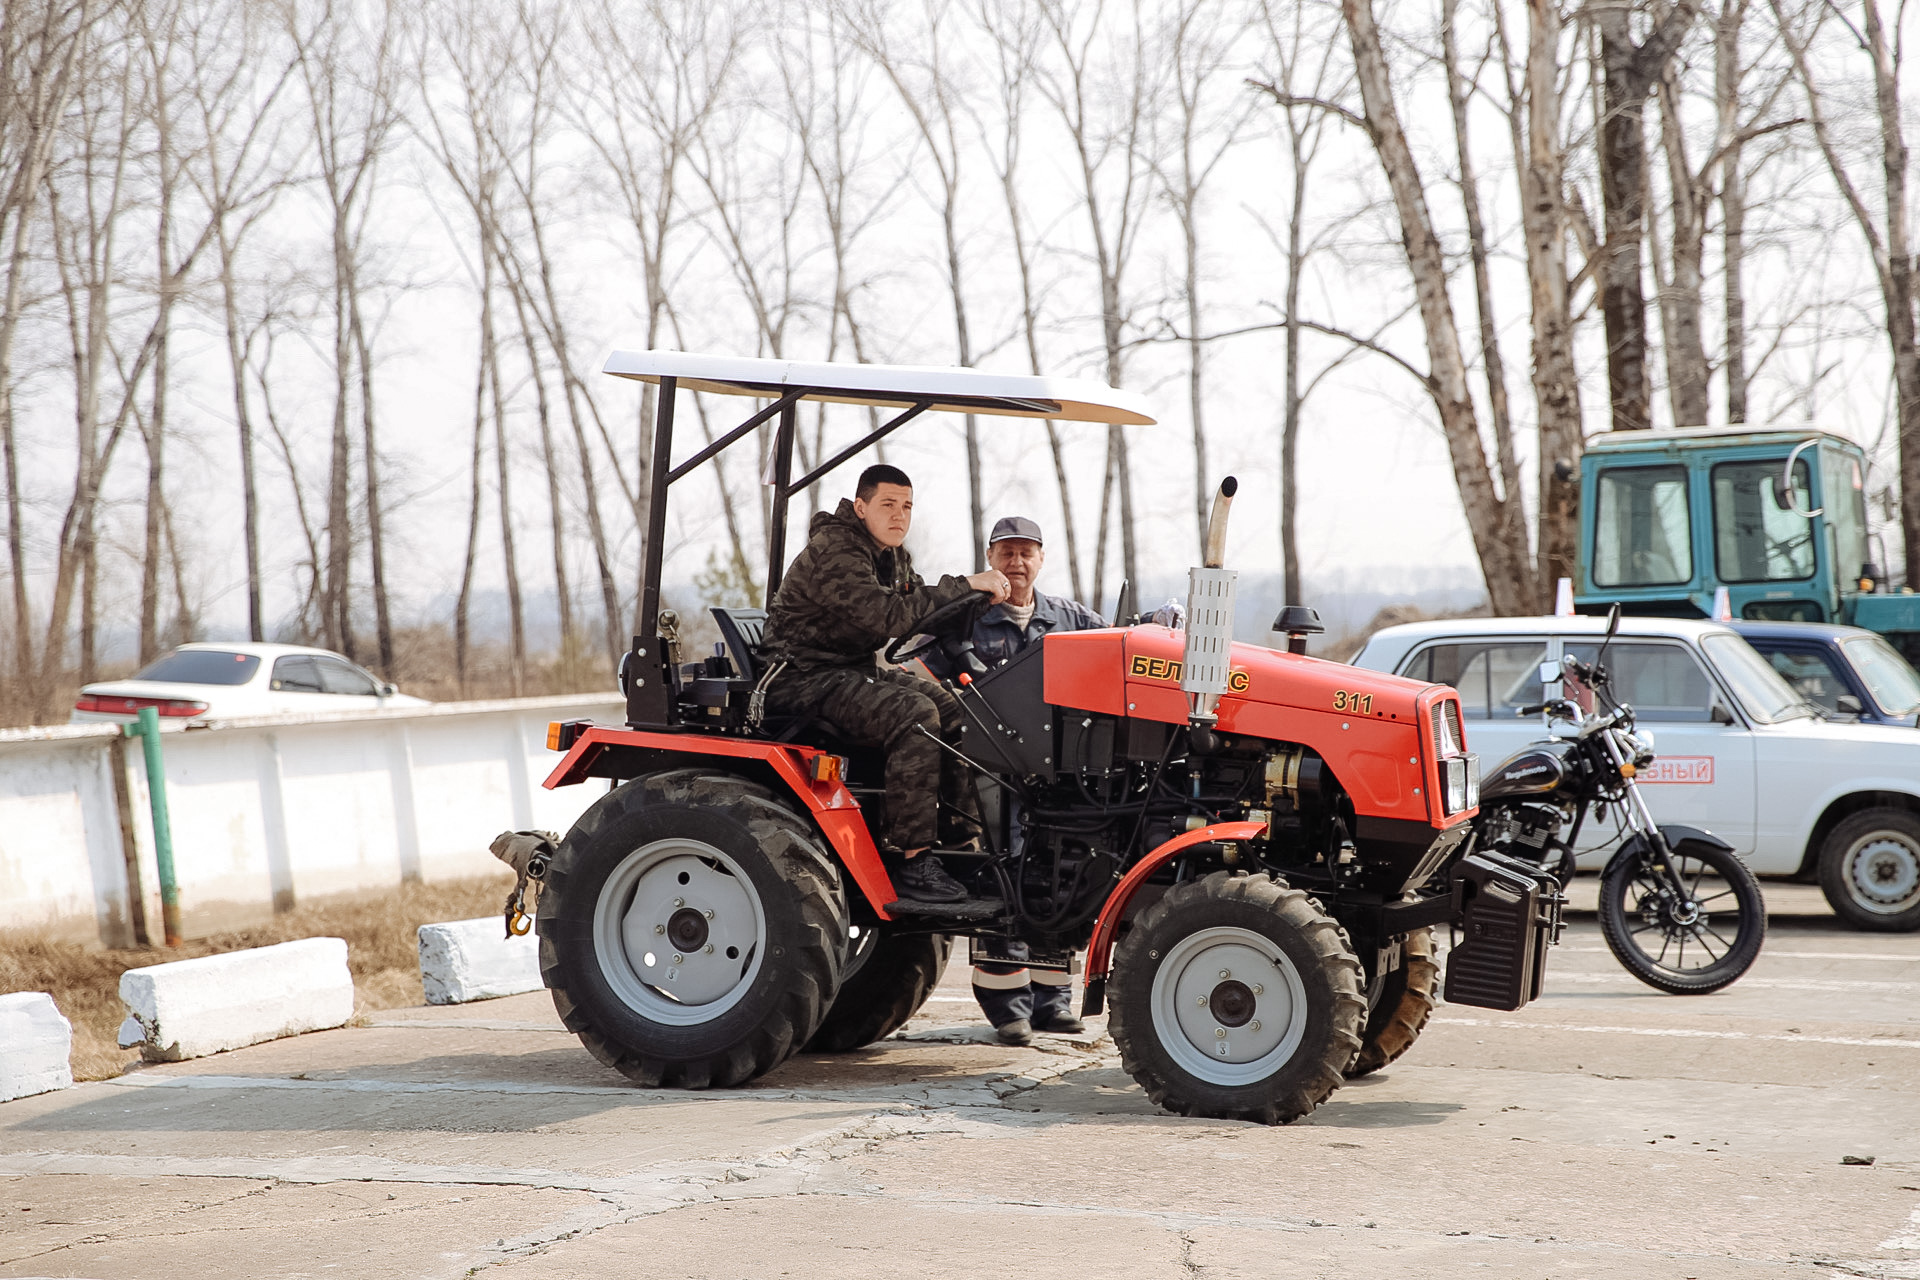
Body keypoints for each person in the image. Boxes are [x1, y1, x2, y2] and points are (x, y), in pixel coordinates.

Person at [760, 464, 1010, 905]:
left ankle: (961, 847)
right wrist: (965, 584)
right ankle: (913, 859)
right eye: (888, 505)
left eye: (907, 506)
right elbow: (887, 615)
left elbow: (913, 602)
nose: (899, 516)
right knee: (916, 715)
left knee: (956, 708)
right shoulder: (836, 551)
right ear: (860, 507)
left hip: (847, 671)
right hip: (800, 677)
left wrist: (964, 601)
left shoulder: (889, 555)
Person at [935, 515, 1104, 1046]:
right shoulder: (968, 618)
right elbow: (919, 660)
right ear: (991, 558)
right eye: (1006, 552)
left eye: (1026, 551)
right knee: (1004, 868)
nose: (1016, 562)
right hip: (990, 769)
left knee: (1057, 869)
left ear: (1041, 558)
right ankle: (1007, 1006)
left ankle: (1052, 1000)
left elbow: (1116, 641)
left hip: (1052, 773)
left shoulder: (1067, 617)